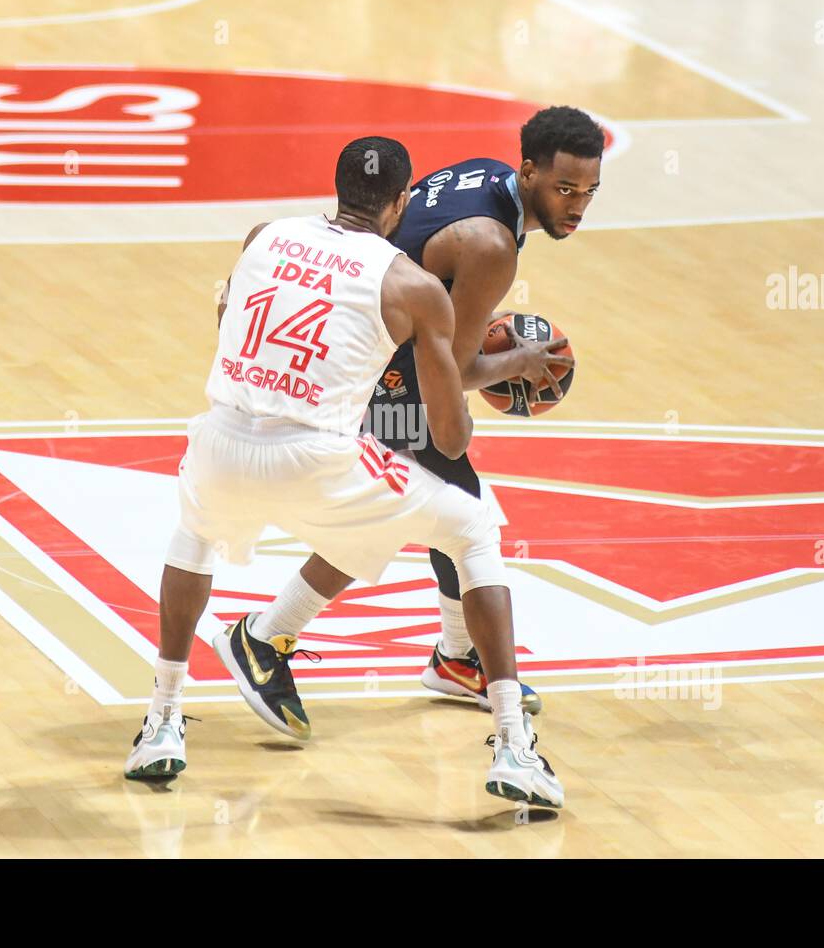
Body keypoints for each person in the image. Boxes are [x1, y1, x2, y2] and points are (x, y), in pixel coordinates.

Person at [124, 136, 563, 808]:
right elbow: (448, 433)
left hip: (220, 439)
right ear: (403, 202)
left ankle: (160, 724)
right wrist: (504, 376)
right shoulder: (415, 286)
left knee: (195, 533)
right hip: (319, 463)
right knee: (470, 521)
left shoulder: (265, 234)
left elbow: (228, 320)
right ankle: (513, 745)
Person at [248, 106, 605, 716]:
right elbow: (459, 372)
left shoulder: (484, 176)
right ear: (528, 173)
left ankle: (453, 657)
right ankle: (265, 637)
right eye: (564, 188)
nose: (576, 205)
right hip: (366, 356)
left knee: (437, 503)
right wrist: (517, 365)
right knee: (429, 509)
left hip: (349, 327)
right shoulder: (492, 245)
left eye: (589, 191)